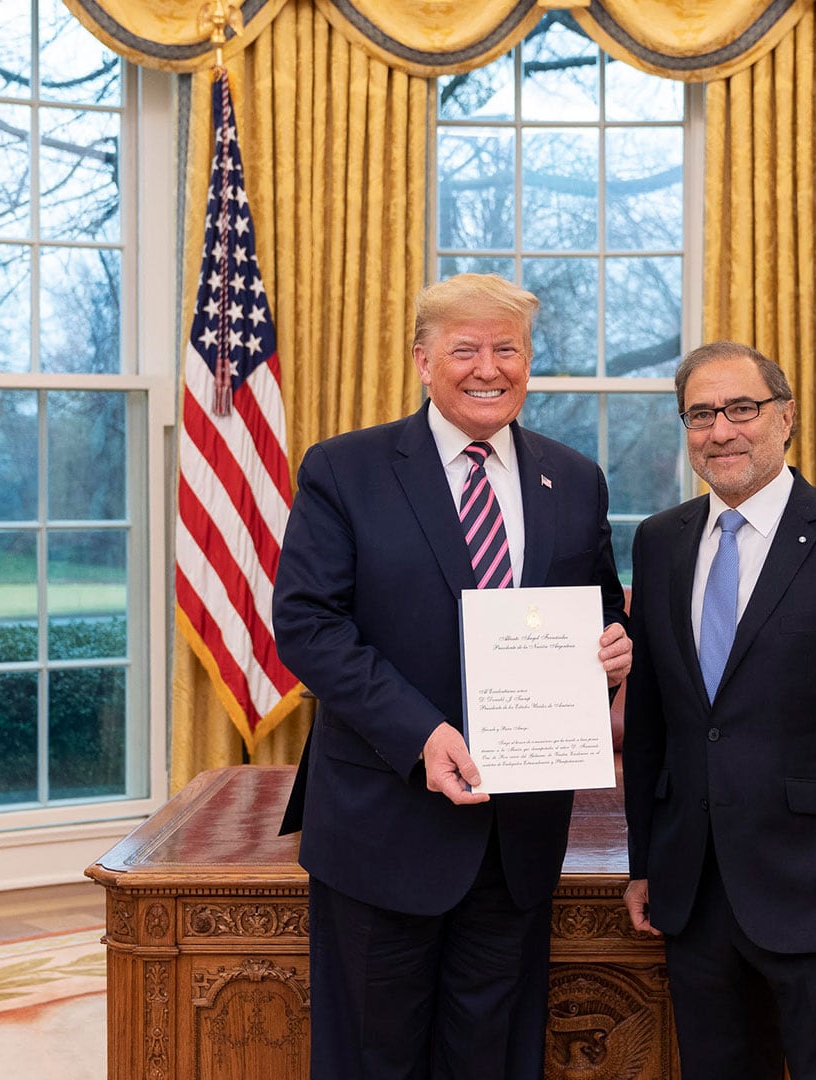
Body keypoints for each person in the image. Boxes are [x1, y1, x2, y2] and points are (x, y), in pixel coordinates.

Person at [273, 273, 632, 1079]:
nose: (488, 367)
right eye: (465, 348)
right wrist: (421, 732)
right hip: (382, 825)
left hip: (518, 841)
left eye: (507, 349)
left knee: (494, 1058)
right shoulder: (345, 470)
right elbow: (308, 625)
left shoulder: (574, 478)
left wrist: (616, 650)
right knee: (373, 1058)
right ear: (422, 361)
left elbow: (602, 609)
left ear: (529, 362)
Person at [621, 341, 816, 1079]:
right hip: (696, 896)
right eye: (700, 414)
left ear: (786, 417)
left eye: (741, 409)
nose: (721, 430)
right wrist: (645, 864)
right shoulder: (660, 542)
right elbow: (656, 726)